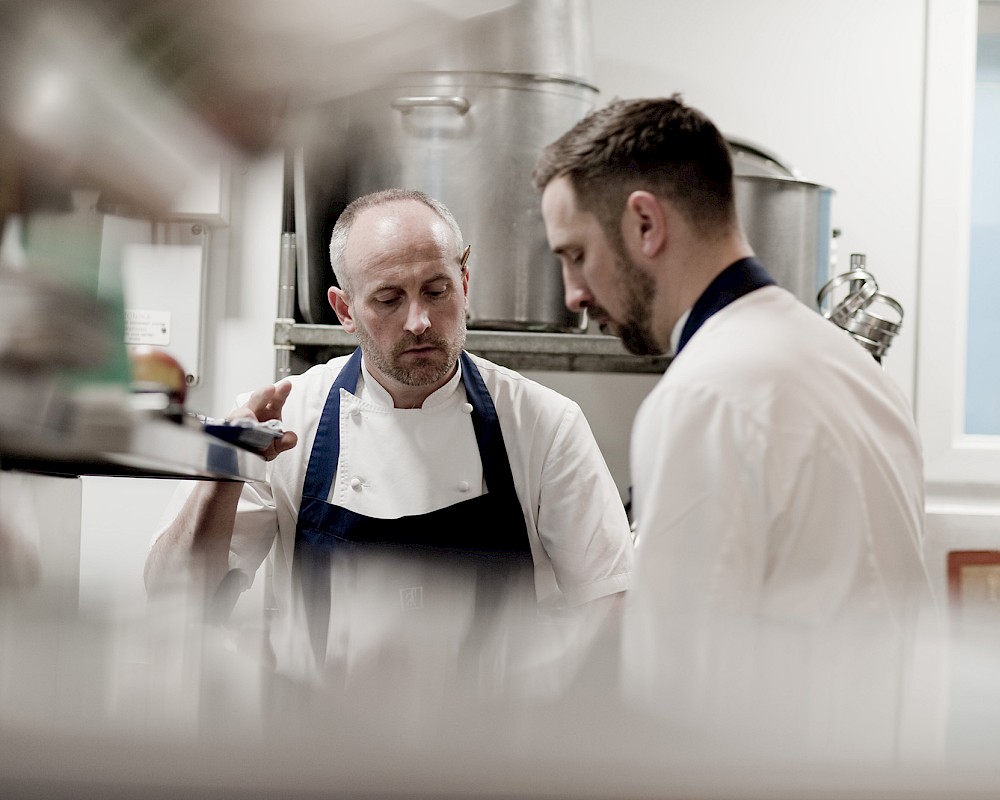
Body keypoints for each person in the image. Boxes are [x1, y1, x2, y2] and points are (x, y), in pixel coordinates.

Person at [533, 96, 939, 757]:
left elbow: (674, 692)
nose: (573, 294)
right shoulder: (848, 363)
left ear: (644, 223)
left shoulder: (706, 392)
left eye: (576, 254)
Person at [145, 188, 633, 686]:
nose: (419, 321)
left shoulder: (544, 423)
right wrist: (224, 467)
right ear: (344, 310)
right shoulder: (291, 417)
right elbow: (175, 593)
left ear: (465, 284)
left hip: (493, 749)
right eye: (388, 298)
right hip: (321, 743)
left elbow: (611, 606)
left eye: (437, 290)